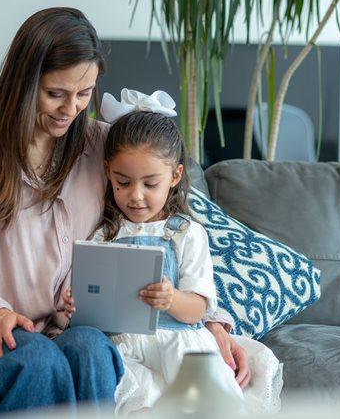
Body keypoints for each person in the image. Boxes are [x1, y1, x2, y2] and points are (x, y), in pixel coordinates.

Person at [0, 7, 249, 415]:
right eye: (55, 94)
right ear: (24, 83)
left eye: (84, 93)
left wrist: (212, 323)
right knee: (39, 360)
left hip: (74, 325)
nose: (70, 109)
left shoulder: (104, 147)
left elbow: (174, 223)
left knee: (93, 349)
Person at [63, 89, 282, 415]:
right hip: (126, 350)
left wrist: (171, 299)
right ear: (108, 172)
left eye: (150, 184)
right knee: (137, 404)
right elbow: (91, 308)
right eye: (123, 182)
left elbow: (198, 309)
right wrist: (75, 303)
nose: (135, 196)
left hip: (176, 344)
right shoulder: (104, 234)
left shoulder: (186, 234)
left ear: (175, 176)